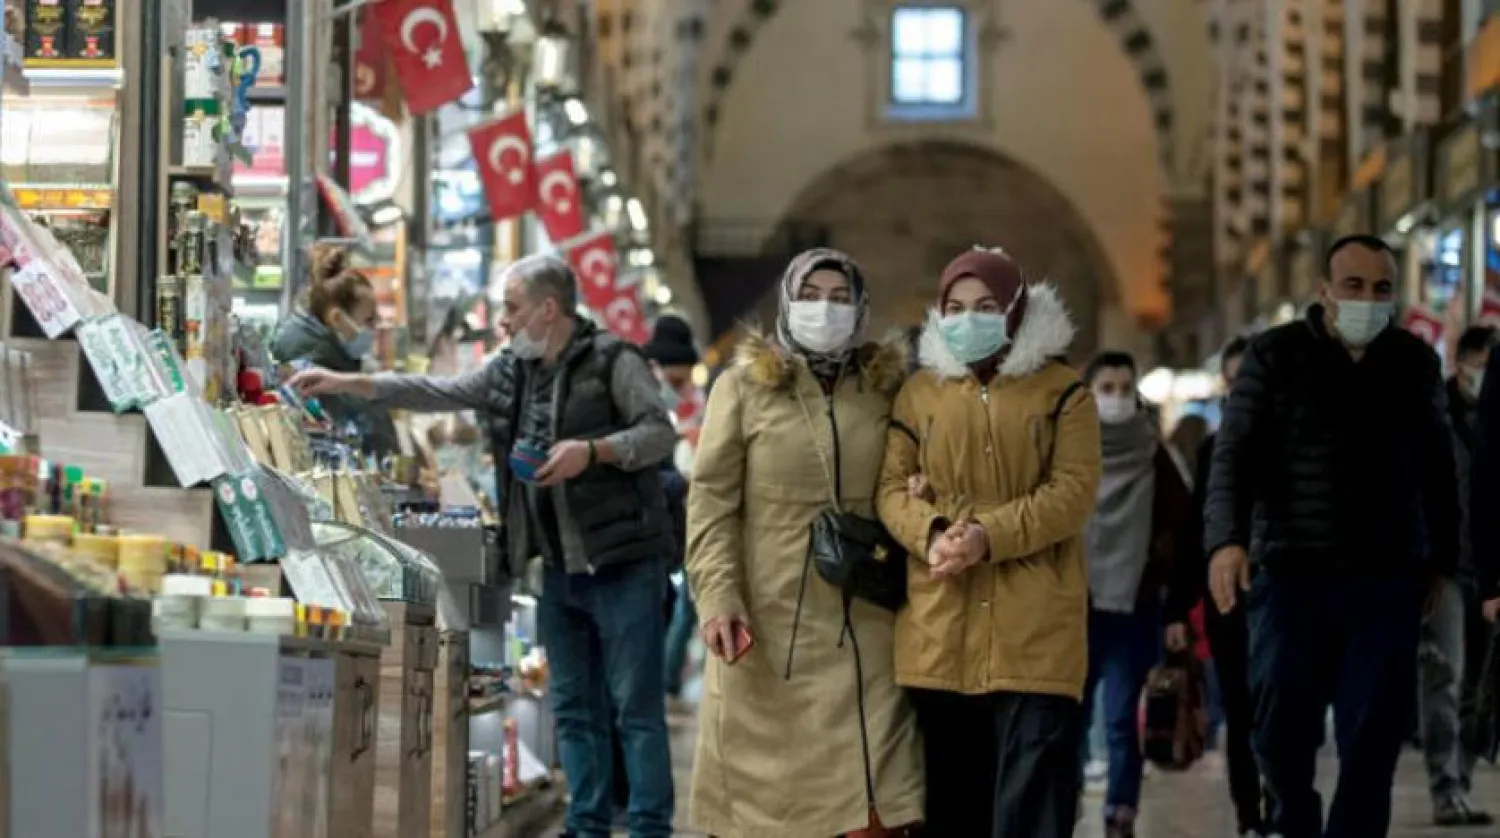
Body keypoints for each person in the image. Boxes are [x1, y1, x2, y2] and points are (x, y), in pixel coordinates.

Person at [289, 254, 678, 838]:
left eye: (512, 309)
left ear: (549, 310)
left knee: (634, 710)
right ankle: (586, 823)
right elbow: (436, 390)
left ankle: (649, 827)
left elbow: (658, 433)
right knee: (574, 708)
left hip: (622, 561)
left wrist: (591, 452)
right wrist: (352, 383)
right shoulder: (511, 372)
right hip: (555, 566)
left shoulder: (613, 361)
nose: (502, 322)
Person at [1203, 234, 1459, 838]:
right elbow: (1234, 455)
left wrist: (1442, 561)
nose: (1368, 299)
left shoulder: (1413, 362)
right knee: (1280, 728)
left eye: (1381, 289)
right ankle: (1294, 820)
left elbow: (1438, 468)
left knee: (1373, 734)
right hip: (1291, 576)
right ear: (1323, 291)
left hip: (1385, 579)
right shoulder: (1275, 355)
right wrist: (1226, 540)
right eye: (1354, 286)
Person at [686, 248, 923, 837]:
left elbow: (906, 477)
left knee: (875, 796)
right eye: (812, 296)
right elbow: (712, 503)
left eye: (840, 298)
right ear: (788, 302)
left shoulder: (884, 389)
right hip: (766, 623)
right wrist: (718, 596)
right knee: (765, 805)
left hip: (867, 623)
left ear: (861, 308)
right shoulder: (740, 389)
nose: (826, 309)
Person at [876, 246, 1101, 837]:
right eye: (955, 306)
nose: (967, 318)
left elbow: (1071, 493)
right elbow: (890, 488)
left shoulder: (1063, 393)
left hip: (1035, 637)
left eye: (986, 306)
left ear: (1017, 310)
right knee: (951, 805)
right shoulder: (918, 393)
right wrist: (929, 535)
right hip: (938, 630)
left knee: (1031, 805)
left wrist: (986, 536)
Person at [1079, 351, 1195, 838]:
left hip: (1134, 606)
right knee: (1070, 721)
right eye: (1107, 388)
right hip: (1074, 607)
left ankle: (1120, 812)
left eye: (1126, 388)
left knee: (1123, 719)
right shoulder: (1068, 453)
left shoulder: (1155, 456)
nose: (1118, 398)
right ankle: (1061, 805)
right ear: (1086, 394)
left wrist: (1175, 610)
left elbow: (1186, 531)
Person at [1170, 336, 1273, 837]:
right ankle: (1249, 816)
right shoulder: (1214, 450)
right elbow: (1198, 532)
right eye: (1233, 383)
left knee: (1282, 708)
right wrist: (1177, 609)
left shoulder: (1294, 443)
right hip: (1230, 600)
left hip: (1283, 598)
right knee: (1239, 709)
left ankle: (1282, 803)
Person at [1418, 325, 1496, 826]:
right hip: (1445, 568)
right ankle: (1444, 785)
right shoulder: (1437, 416)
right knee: (1444, 678)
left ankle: (1460, 780)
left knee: (1480, 685)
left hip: (1489, 570)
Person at [270, 243, 398, 455]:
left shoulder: (333, 360)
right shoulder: (312, 370)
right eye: (368, 320)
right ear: (338, 318)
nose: (374, 328)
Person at [644, 315, 703, 707]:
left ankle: (664, 684)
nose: (679, 391)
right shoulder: (639, 409)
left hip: (680, 537)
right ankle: (661, 684)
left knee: (678, 614)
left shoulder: (686, 415)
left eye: (684, 382)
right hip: (651, 539)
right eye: (676, 381)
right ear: (657, 370)